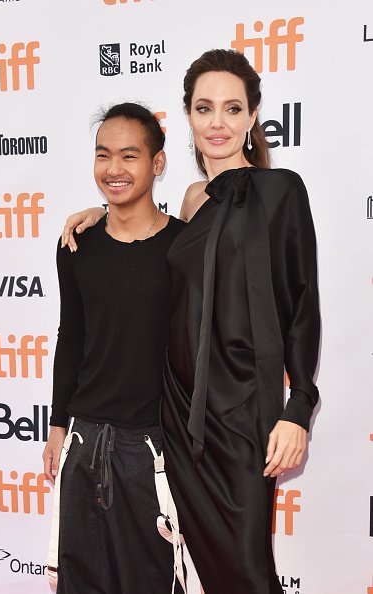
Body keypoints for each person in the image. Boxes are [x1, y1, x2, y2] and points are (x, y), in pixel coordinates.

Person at [61, 49, 320, 594]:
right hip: (177, 417)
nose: (217, 123)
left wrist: (298, 409)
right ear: (190, 118)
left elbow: (301, 306)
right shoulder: (191, 200)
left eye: (232, 108)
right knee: (183, 568)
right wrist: (98, 215)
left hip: (246, 419)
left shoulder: (283, 192)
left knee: (247, 572)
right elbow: (156, 264)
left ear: (252, 117)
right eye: (204, 109)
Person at [42, 102, 186, 594]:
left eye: (130, 156)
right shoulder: (76, 245)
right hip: (83, 444)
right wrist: (59, 424)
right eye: (104, 155)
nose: (114, 169)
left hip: (152, 450)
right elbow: (72, 337)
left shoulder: (185, 247)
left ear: (158, 163)